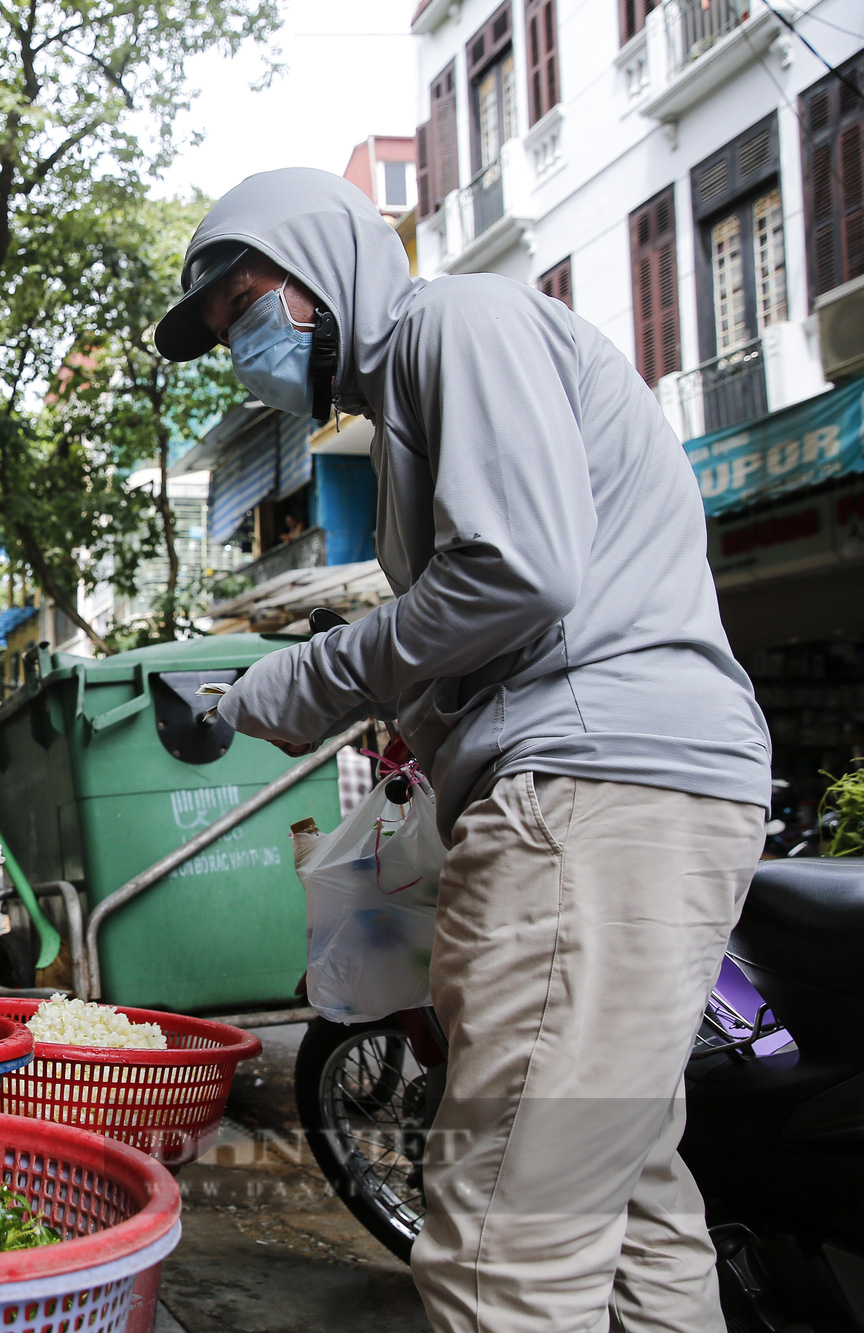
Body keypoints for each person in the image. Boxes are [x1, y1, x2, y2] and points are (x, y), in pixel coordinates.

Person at [153, 169, 770, 1331]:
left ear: (323, 268)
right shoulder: (407, 411)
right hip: (641, 781)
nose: (241, 341)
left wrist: (288, 679)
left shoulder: (454, 322)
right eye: (223, 326)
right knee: (630, 1205)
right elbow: (477, 611)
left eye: (246, 303)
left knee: (502, 1237)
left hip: (590, 786)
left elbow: (516, 573)